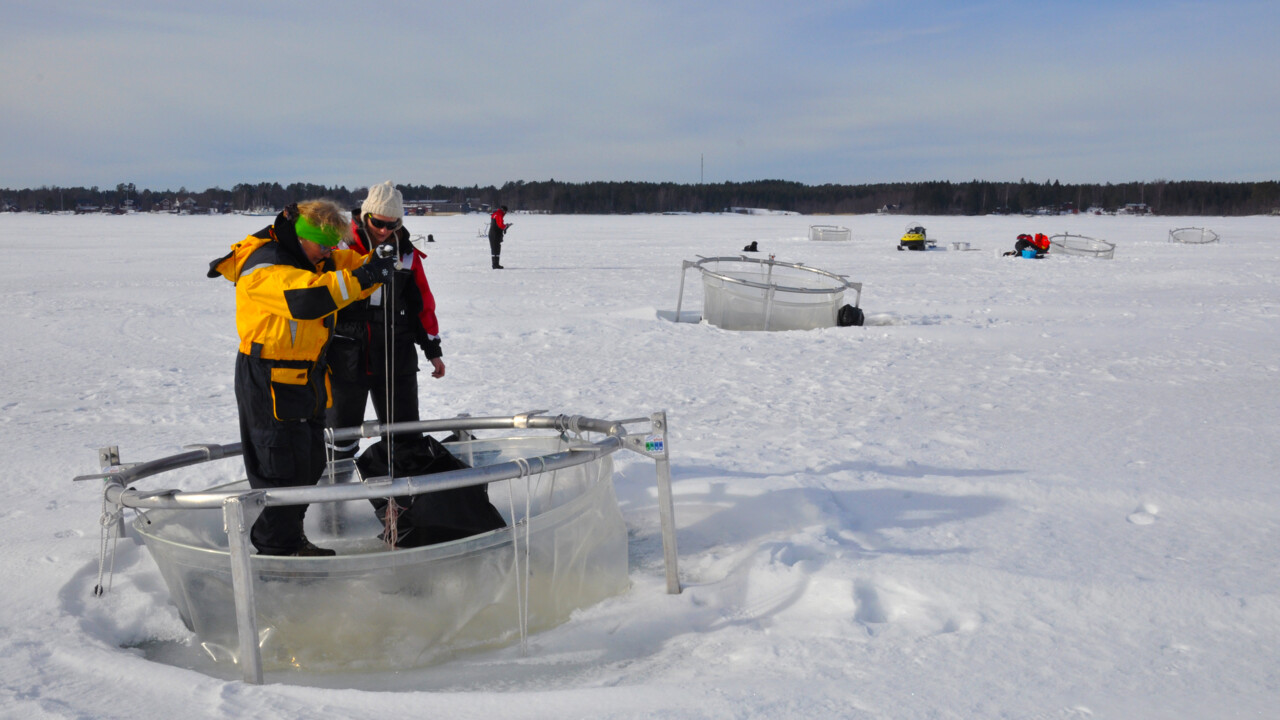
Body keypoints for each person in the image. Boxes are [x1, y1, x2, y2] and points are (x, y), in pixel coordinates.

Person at [208, 200, 398, 556]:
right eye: (323, 244)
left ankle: (289, 538)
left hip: (306, 375)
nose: (329, 252)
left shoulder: (312, 257)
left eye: (331, 246)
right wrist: (366, 276)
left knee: (309, 462)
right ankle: (275, 547)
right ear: (302, 237)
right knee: (280, 468)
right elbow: (309, 298)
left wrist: (377, 261)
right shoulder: (263, 264)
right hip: (269, 376)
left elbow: (352, 270)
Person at [325, 181, 445, 463]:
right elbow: (315, 298)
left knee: (404, 435)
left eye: (392, 225)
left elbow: (422, 305)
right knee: (339, 438)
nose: (384, 230)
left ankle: (403, 502)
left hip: (396, 352)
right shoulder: (338, 249)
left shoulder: (407, 255)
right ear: (365, 216)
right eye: (378, 222)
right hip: (345, 355)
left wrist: (433, 350)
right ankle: (336, 502)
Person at [487, 205, 512, 269]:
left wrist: (505, 226)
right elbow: (500, 225)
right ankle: (495, 265)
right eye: (505, 212)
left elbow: (497, 225)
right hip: (495, 234)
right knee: (496, 249)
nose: (505, 214)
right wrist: (506, 226)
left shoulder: (495, 214)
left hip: (493, 233)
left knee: (494, 249)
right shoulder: (499, 214)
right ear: (504, 211)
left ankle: (495, 264)